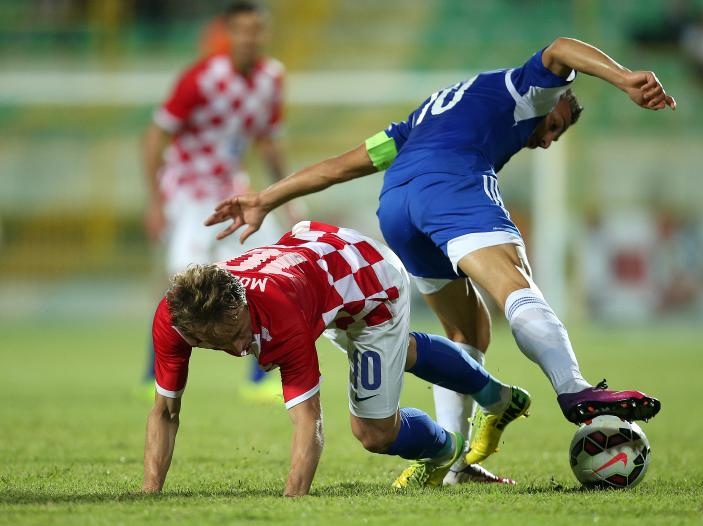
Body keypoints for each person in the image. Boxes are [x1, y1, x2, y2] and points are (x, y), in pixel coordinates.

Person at [205, 37, 668, 482]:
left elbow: (341, 166)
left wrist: (266, 197)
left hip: (398, 205)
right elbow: (562, 48)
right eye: (555, 127)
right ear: (556, 102)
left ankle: (455, 463)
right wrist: (624, 77)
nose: (548, 139)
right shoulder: (523, 89)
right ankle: (574, 387)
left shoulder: (423, 117)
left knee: (468, 329)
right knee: (514, 282)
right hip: (451, 183)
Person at [143, 221, 530, 495]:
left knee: (373, 432)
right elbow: (165, 411)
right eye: (228, 341)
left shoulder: (280, 319)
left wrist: (293, 502)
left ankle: (447, 452)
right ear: (192, 334)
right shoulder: (174, 316)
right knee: (401, 352)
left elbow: (308, 420)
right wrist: (150, 495)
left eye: (244, 331)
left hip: (372, 281)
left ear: (241, 300)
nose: (245, 346)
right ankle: (498, 397)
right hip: (319, 259)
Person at [141, 1, 291, 401]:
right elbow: (155, 136)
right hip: (189, 188)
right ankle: (152, 376)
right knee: (182, 279)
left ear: (265, 32)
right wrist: (154, 202)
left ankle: (260, 378)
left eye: (256, 29)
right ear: (228, 33)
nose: (249, 37)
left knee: (267, 267)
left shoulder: (271, 78)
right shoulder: (202, 78)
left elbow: (269, 144)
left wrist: (287, 197)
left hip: (231, 189)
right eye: (241, 30)